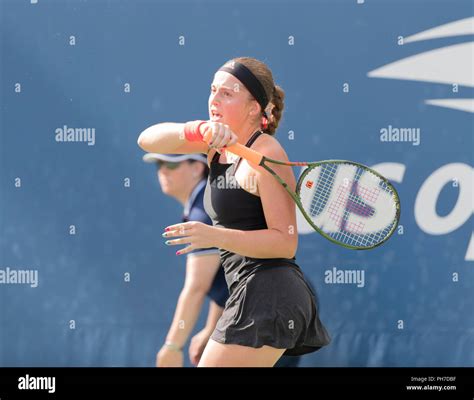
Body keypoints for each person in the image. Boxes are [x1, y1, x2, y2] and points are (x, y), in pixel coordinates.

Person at [138, 56, 330, 367]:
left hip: (272, 294)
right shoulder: (214, 146)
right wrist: (196, 129)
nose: (214, 100)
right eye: (213, 90)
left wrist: (214, 236)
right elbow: (147, 139)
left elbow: (285, 243)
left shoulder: (267, 154)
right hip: (246, 293)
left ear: (255, 107)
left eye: (227, 93)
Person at [143, 152, 228, 367]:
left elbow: (197, 287)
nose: (162, 170)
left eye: (171, 165)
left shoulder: (204, 212)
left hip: (268, 314)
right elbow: (228, 278)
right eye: (159, 165)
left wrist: (173, 346)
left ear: (197, 168)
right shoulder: (206, 201)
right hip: (273, 308)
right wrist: (211, 328)